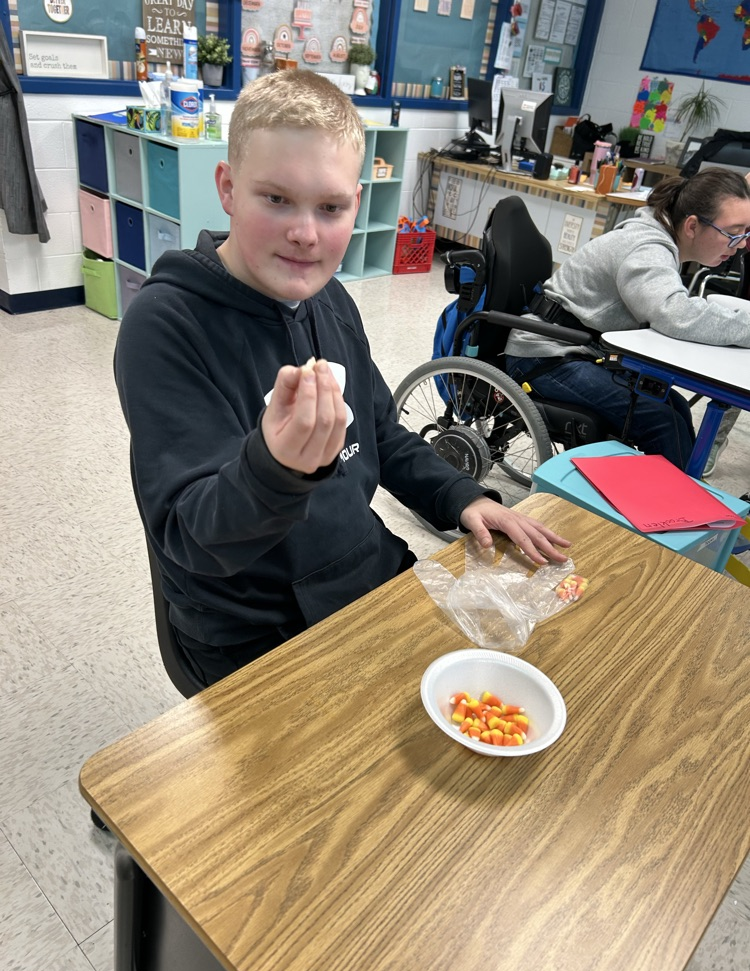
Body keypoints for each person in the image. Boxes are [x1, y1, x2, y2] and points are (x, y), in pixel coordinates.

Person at [115, 70, 569, 688]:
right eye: (275, 199)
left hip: (360, 572)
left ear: (356, 202)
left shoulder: (327, 297)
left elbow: (380, 428)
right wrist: (275, 469)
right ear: (227, 188)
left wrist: (460, 496)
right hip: (250, 627)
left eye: (330, 208)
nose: (305, 235)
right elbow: (192, 539)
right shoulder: (165, 325)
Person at [505, 168, 750, 470]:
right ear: (692, 226)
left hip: (577, 348)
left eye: (746, 233)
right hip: (546, 355)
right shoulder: (647, 248)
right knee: (662, 422)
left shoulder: (658, 235)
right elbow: (674, 313)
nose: (740, 244)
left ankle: (676, 498)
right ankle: (674, 510)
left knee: (676, 408)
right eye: (734, 232)